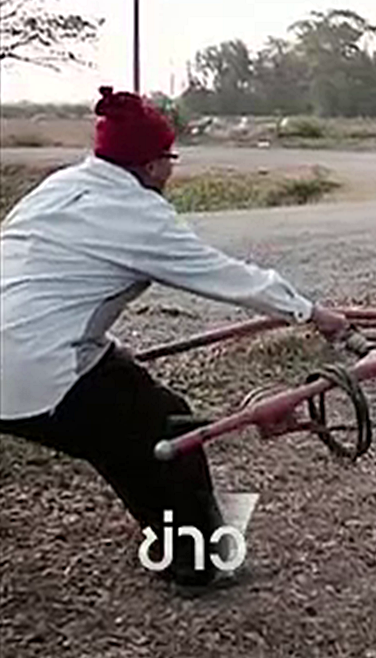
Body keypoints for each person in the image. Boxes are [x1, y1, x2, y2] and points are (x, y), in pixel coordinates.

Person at [0, 86, 349, 587]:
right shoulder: (140, 215)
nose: (172, 169)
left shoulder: (60, 186)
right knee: (168, 434)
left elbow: (41, 282)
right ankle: (198, 561)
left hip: (26, 351)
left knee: (127, 429)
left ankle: (171, 539)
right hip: (32, 371)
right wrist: (315, 313)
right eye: (169, 158)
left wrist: (99, 345)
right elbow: (227, 277)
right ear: (149, 164)